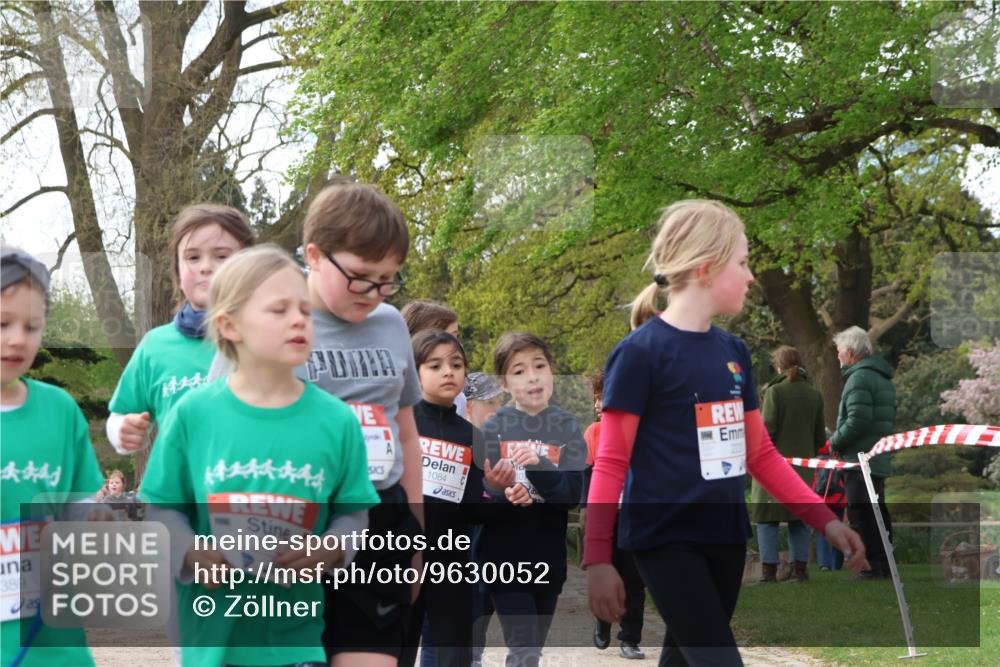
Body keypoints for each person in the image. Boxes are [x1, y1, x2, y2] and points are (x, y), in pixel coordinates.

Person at [585, 200, 868, 667]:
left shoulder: (732, 350)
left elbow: (760, 454)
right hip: (664, 539)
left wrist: (826, 520)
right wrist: (598, 559)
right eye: (742, 262)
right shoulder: (639, 354)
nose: (751, 275)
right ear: (706, 268)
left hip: (725, 538)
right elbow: (611, 462)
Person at [139, 245, 380, 667]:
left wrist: (334, 549)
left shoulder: (338, 421)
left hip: (296, 642)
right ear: (230, 324)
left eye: (305, 310)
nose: (298, 320)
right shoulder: (192, 415)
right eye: (279, 309)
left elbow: (354, 513)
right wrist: (187, 549)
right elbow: (160, 508)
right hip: (212, 643)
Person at [300, 182, 425, 666]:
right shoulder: (267, 320)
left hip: (382, 520)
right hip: (300, 525)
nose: (375, 293)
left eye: (388, 279)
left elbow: (407, 434)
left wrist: (417, 538)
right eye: (360, 277)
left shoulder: (391, 323)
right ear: (315, 254)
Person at [1, 248, 105, 667]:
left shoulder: (61, 411)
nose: (18, 339)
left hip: (55, 641)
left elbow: (80, 513)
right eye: (3, 323)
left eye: (32, 326)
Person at [106, 204, 254, 455]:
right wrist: (122, 431)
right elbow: (120, 414)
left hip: (255, 487)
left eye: (222, 256)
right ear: (177, 270)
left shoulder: (273, 337)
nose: (206, 267)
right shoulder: (155, 346)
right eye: (193, 257)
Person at [477, 331, 586, 667]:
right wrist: (501, 490)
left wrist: (539, 466)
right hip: (503, 558)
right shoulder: (493, 428)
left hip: (547, 560)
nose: (533, 376)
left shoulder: (567, 427)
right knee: (523, 651)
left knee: (532, 653)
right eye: (519, 371)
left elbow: (572, 495)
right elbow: (478, 494)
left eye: (539, 365)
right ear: (505, 384)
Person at [401, 330, 492, 667]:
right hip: (400, 557)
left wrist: (496, 489)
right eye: (435, 365)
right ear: (415, 371)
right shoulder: (401, 422)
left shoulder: (473, 436)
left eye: (456, 364)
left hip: (452, 562)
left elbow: (474, 509)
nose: (448, 372)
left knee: (453, 653)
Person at [583, 370, 646, 658]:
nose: (598, 405)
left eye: (603, 398)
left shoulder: (641, 432)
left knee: (634, 579)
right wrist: (586, 509)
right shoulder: (593, 433)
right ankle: (603, 621)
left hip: (635, 515)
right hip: (604, 517)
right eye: (596, 399)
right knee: (607, 575)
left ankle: (630, 637)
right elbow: (586, 475)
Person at [750, 346, 826, 584]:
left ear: (778, 366)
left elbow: (767, 431)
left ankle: (768, 572)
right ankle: (800, 570)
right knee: (799, 521)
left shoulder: (775, 392)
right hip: (802, 469)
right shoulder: (815, 394)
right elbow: (819, 439)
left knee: (766, 519)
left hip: (772, 468)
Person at [830, 325, 897, 580]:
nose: (837, 357)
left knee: (860, 513)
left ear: (849, 351)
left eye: (838, 351)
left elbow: (858, 420)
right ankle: (884, 565)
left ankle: (869, 568)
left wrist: (835, 442)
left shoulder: (858, 378)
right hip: (877, 456)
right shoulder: (881, 377)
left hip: (859, 459)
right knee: (877, 512)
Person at [463, 371, 506, 667]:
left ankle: (474, 656)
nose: (496, 410)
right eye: (489, 402)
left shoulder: (499, 443)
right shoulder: (459, 441)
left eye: (499, 402)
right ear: (469, 406)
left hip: (491, 544)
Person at [401, 300, 466, 418]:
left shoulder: (458, 399)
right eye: (450, 336)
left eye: (456, 337)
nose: (457, 345)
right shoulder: (396, 397)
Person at [813, 440, 846, 571]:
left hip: (821, 499)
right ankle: (837, 564)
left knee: (822, 532)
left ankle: (824, 564)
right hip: (839, 499)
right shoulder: (840, 457)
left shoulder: (816, 459)